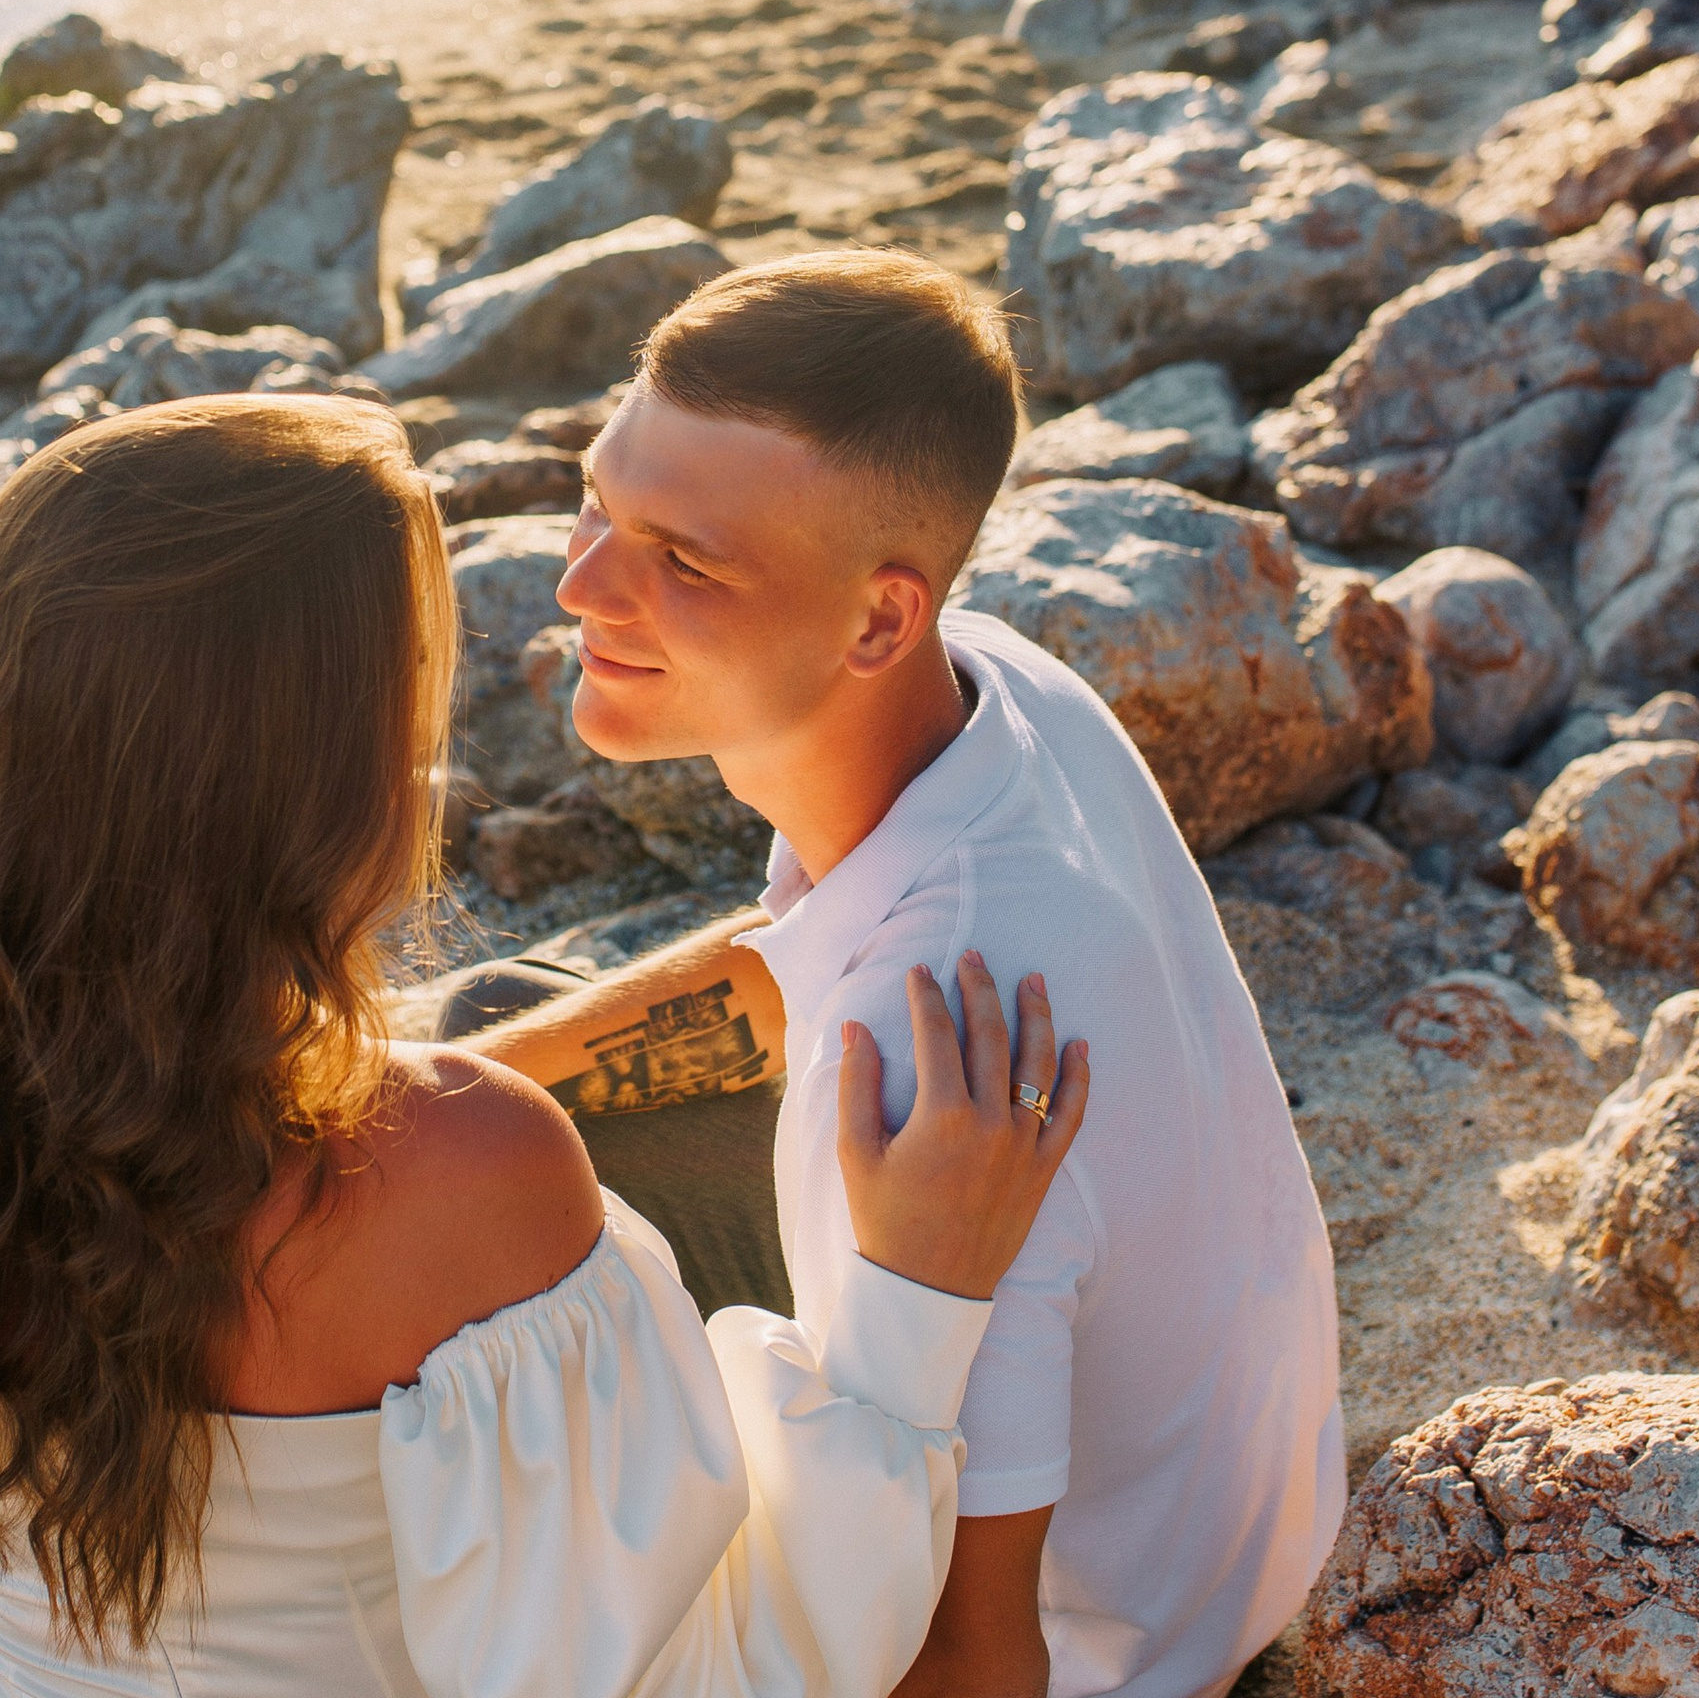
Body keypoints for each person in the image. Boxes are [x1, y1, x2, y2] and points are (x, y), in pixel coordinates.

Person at [0, 394, 1089, 1698]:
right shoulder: (469, 1170)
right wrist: (912, 1307)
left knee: (485, 1010)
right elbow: (706, 1676)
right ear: (318, 784)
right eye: (406, 710)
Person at [462, 251, 1344, 1698]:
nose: (579, 584)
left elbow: (972, 1660)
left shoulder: (948, 1046)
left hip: (1109, 1647)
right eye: (599, 501)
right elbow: (793, 968)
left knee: (460, 1290)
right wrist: (418, 1087)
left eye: (682, 561)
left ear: (879, 615)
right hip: (1235, 1519)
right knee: (484, 1061)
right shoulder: (998, 683)